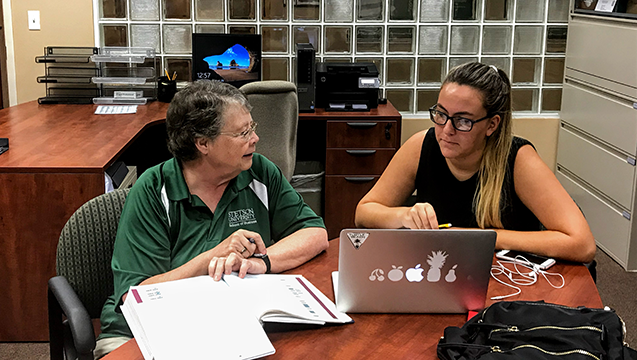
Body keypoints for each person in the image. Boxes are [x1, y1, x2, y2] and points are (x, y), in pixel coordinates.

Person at [95, 80, 328, 358]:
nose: (255, 139)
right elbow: (138, 294)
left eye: (252, 128)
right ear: (203, 143)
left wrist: (258, 263)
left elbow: (315, 233)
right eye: (243, 132)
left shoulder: (259, 172)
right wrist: (210, 259)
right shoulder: (154, 189)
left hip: (232, 324)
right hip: (144, 332)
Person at [355, 62, 595, 263]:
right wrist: (405, 217)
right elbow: (364, 212)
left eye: (463, 121)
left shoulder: (518, 159)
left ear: (492, 125)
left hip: (507, 279)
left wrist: (480, 237)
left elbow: (582, 244)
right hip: (442, 271)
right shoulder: (422, 145)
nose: (446, 130)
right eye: (441, 114)